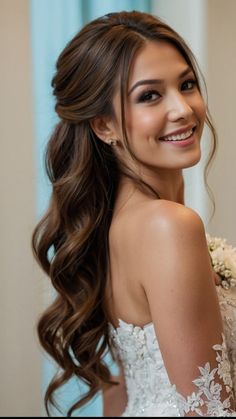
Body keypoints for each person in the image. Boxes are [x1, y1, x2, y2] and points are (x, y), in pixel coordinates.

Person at [32, 10, 236, 417]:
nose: (183, 109)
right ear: (103, 125)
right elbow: (210, 411)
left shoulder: (108, 228)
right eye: (149, 95)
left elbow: (120, 395)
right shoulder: (169, 227)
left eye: (187, 84)